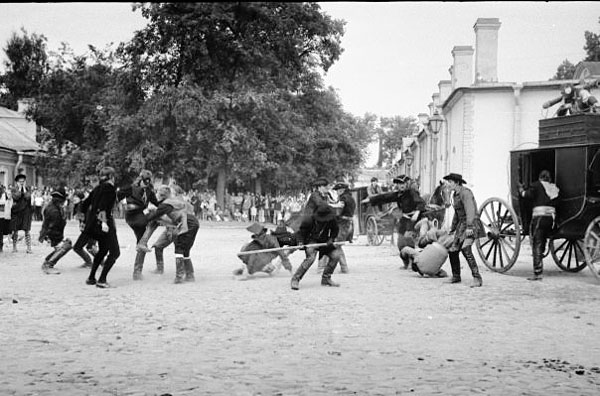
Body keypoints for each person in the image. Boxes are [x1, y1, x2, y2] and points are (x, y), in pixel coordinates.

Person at [145, 185, 199, 284]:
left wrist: (143, 216)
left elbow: (154, 216)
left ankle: (179, 277)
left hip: (187, 223)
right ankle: (190, 275)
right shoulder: (174, 202)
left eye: (157, 194)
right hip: (192, 222)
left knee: (179, 248)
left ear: (161, 196)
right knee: (185, 250)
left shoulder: (166, 204)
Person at [443, 173, 485, 287]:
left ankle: (477, 278)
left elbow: (470, 210)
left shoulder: (465, 193)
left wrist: (470, 227)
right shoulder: (455, 195)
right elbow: (457, 214)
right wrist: (452, 228)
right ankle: (456, 276)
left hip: (471, 223)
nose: (448, 184)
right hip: (461, 225)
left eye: (450, 182)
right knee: (453, 250)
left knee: (466, 248)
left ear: (457, 182)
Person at [366, 175, 426, 255]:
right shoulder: (398, 194)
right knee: (400, 243)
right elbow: (385, 197)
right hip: (404, 219)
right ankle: (406, 262)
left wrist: (417, 213)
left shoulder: (412, 192)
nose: (401, 186)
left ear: (406, 184)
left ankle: (413, 261)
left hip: (414, 219)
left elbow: (421, 202)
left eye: (403, 184)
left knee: (409, 240)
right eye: (399, 184)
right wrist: (370, 200)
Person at [518, 170, 560, 281]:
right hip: (551, 219)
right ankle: (540, 260)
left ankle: (537, 273)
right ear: (549, 178)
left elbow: (527, 195)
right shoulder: (553, 188)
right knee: (543, 241)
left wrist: (521, 190)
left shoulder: (536, 185)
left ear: (540, 177)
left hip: (539, 218)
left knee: (537, 243)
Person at [118, 170, 159, 280]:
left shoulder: (149, 191)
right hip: (133, 217)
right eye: (145, 181)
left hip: (141, 215)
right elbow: (125, 201)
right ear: (140, 179)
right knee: (153, 220)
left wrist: (166, 204)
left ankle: (137, 272)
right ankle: (137, 271)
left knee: (142, 242)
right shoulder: (132, 188)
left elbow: (156, 203)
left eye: (148, 181)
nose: (146, 183)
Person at [290, 204, 342, 290]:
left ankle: (326, 278)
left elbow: (335, 230)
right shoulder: (309, 220)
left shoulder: (331, 219)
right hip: (311, 241)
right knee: (310, 258)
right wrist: (300, 243)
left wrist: (331, 239)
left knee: (336, 256)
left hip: (324, 242)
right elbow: (300, 234)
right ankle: (295, 279)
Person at [85, 167, 120, 289]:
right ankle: (102, 279)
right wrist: (104, 222)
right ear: (111, 176)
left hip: (95, 223)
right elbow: (103, 206)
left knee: (103, 249)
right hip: (105, 222)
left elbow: (85, 204)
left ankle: (91, 277)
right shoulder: (109, 188)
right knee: (115, 252)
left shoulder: (97, 188)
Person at [39, 187, 71, 275]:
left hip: (52, 233)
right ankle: (48, 265)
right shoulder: (54, 211)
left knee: (64, 245)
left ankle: (47, 261)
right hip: (50, 234)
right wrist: (57, 240)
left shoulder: (54, 207)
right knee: (65, 246)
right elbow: (53, 227)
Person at [330, 182, 355, 273]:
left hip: (343, 224)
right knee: (337, 245)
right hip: (348, 223)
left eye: (337, 190)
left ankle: (344, 268)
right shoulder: (350, 197)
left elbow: (339, 208)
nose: (337, 192)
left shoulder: (343, 198)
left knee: (336, 245)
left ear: (342, 190)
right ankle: (343, 267)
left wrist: (328, 207)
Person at [10, 174, 34, 253]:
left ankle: (29, 248)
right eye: (20, 182)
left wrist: (24, 189)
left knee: (27, 230)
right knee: (15, 230)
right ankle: (14, 247)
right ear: (17, 182)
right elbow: (16, 197)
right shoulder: (13, 189)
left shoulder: (27, 189)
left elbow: (28, 197)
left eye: (23, 181)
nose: (22, 183)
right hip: (16, 212)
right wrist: (20, 190)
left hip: (26, 212)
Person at [0, 185, 12, 252]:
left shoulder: (4, 194)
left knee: (1, 232)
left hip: (1, 215)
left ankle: (1, 246)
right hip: (2, 215)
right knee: (1, 232)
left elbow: (9, 199)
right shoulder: (4, 194)